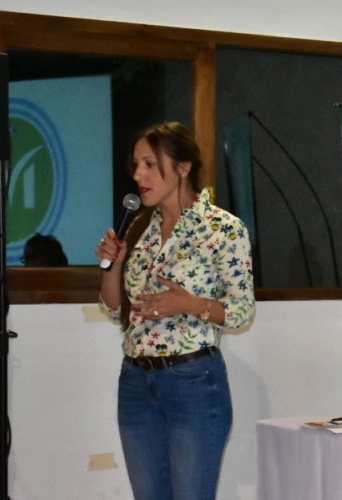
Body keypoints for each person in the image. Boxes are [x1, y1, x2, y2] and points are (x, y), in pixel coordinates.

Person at [95, 122, 255, 500]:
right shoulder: (139, 228)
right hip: (135, 382)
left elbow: (242, 311)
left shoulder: (223, 229)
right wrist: (112, 266)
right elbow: (114, 310)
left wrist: (191, 305)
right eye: (136, 164)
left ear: (184, 167)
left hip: (193, 383)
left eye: (150, 164)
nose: (138, 175)